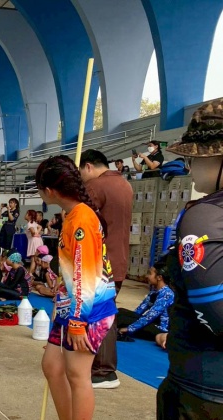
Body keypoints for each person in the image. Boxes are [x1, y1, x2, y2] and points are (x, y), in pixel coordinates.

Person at [148, 100, 223, 420]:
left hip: (204, 396)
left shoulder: (205, 216)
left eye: (197, 156)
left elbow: (214, 310)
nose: (191, 166)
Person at [32, 156, 117, 420]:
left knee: (77, 373)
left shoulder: (81, 220)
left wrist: (79, 321)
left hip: (88, 310)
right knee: (52, 366)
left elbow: (86, 276)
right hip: (70, 305)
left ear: (50, 191)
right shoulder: (72, 215)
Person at [79, 148, 134, 390]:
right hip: (118, 258)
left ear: (88, 166)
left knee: (100, 316)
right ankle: (101, 367)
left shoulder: (96, 186)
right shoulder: (124, 184)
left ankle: (103, 371)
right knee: (105, 313)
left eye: (81, 172)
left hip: (101, 261)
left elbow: (81, 218)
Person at [117, 262, 173, 342]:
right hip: (151, 323)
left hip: (160, 329)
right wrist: (129, 319)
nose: (147, 276)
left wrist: (129, 328)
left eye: (150, 274)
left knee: (122, 319)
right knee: (120, 311)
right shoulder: (154, 292)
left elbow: (150, 316)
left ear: (159, 277)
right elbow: (138, 311)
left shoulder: (167, 294)